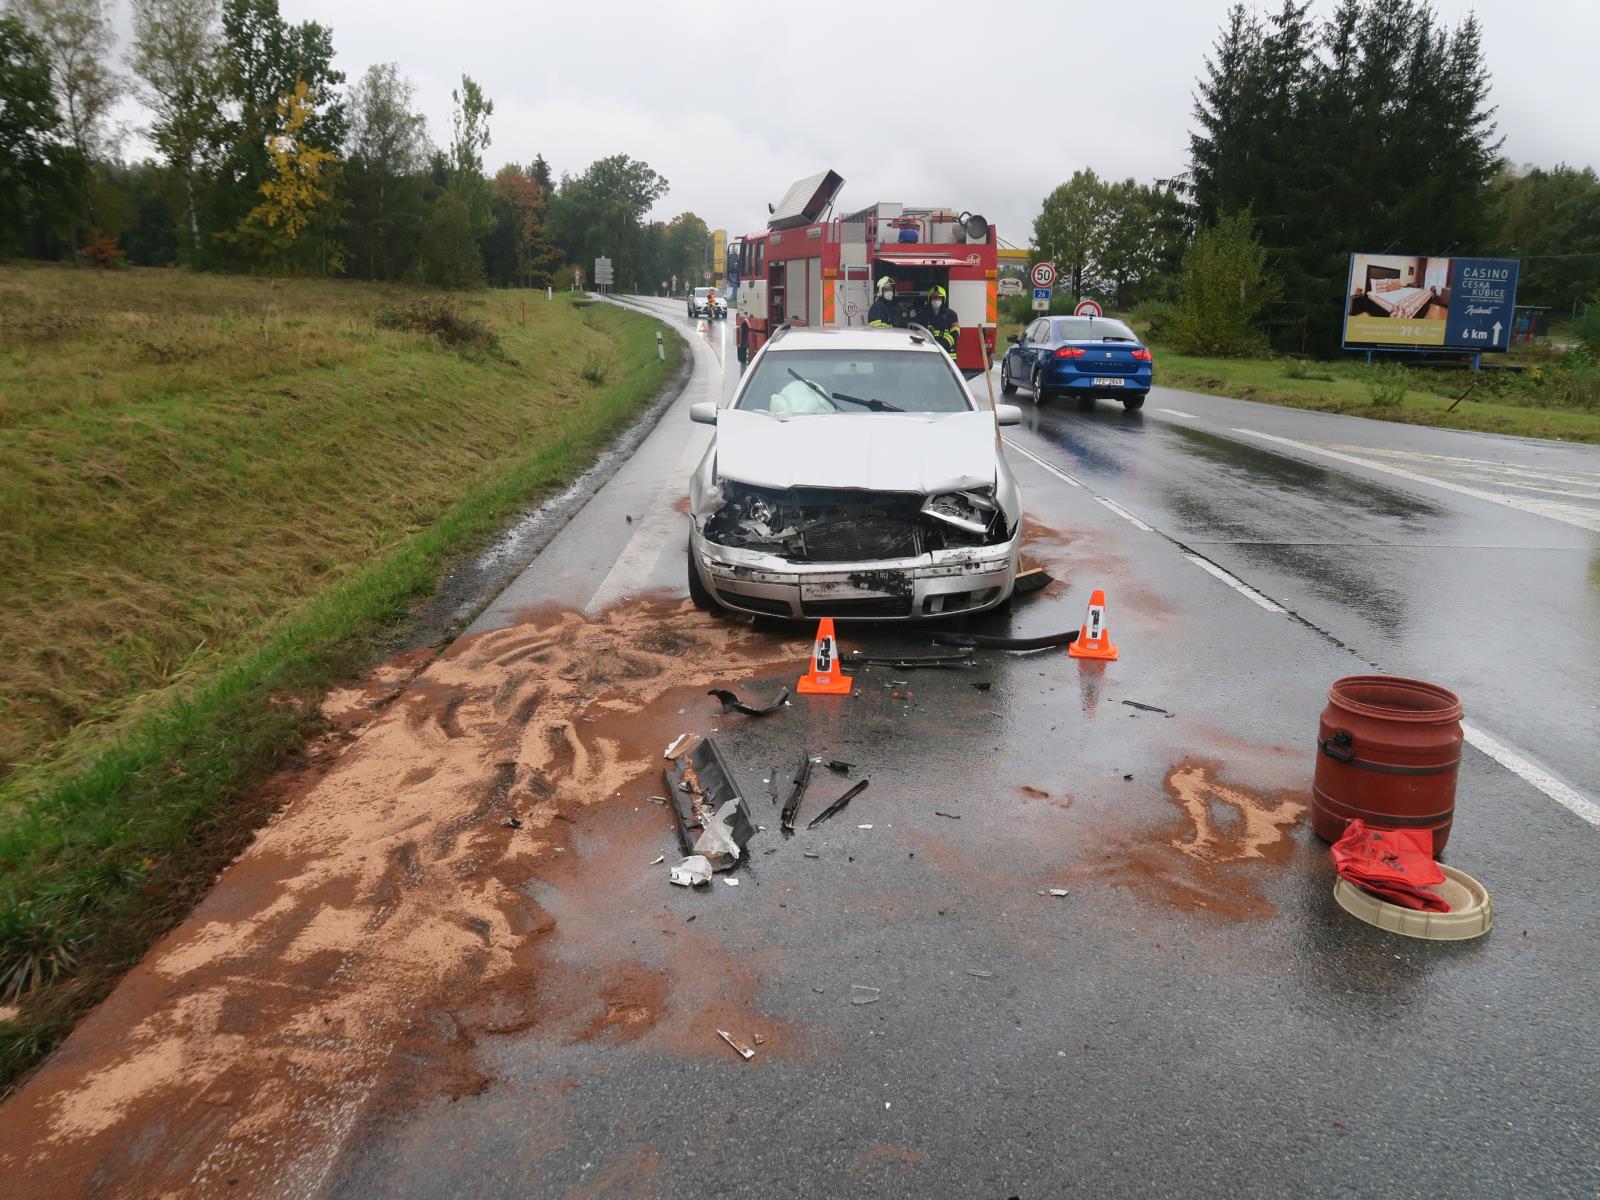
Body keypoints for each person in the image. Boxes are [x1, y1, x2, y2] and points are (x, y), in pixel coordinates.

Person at [921, 284, 960, 355]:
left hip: (947, 353)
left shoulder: (951, 315)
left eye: (939, 298)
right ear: (930, 299)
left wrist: (943, 344)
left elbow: (955, 333)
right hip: (929, 350)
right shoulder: (924, 315)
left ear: (943, 299)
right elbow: (919, 332)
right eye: (934, 298)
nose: (936, 301)